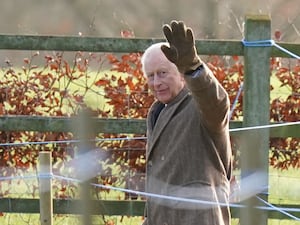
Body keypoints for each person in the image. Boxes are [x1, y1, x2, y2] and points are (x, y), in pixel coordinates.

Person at [140, 20, 232, 225]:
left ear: (181, 73)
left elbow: (217, 103)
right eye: (150, 76)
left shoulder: (200, 106)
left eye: (163, 73)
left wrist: (193, 67)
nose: (156, 82)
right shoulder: (158, 112)